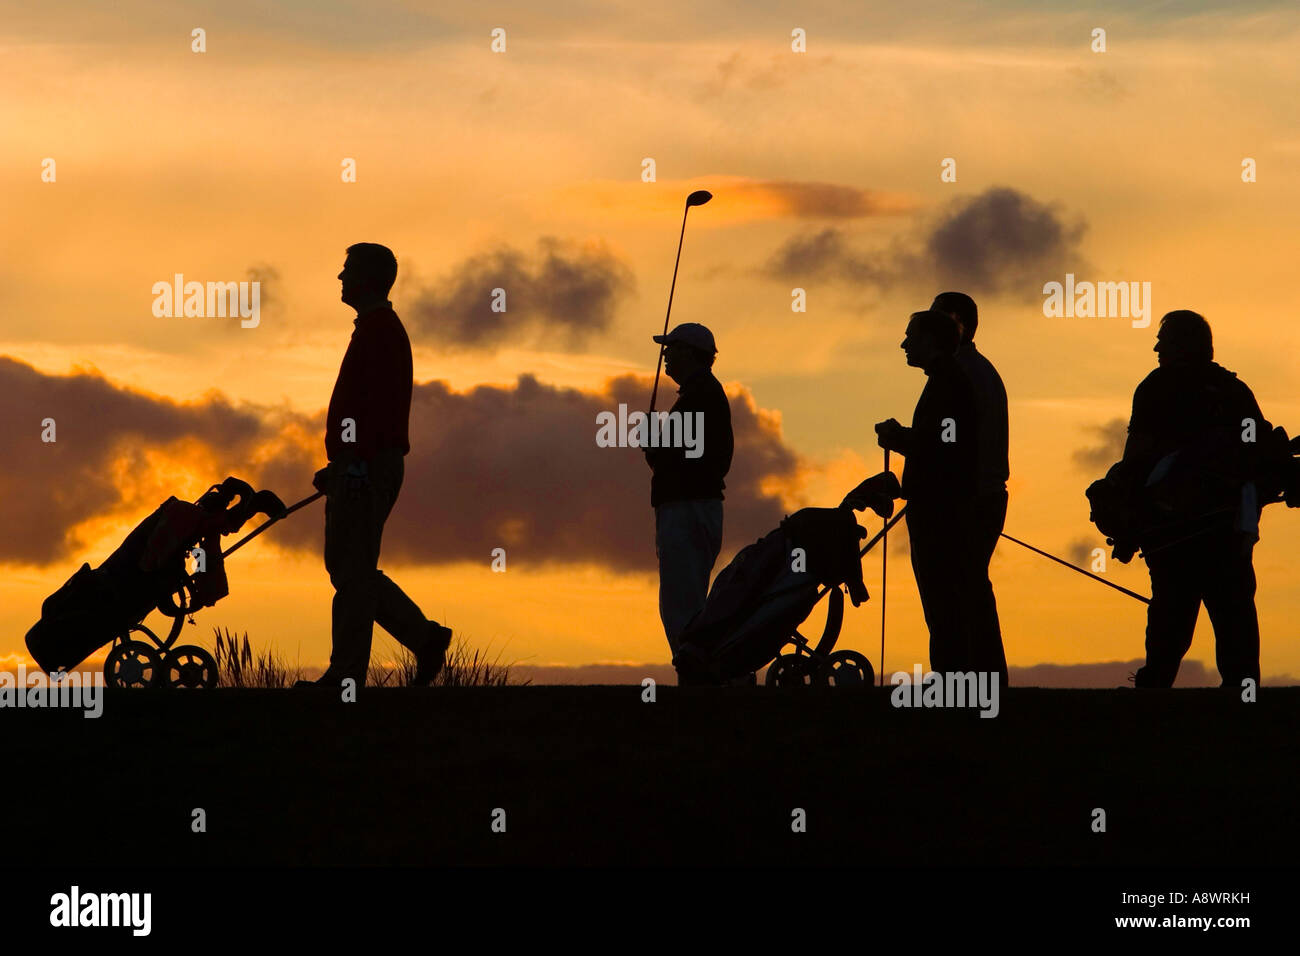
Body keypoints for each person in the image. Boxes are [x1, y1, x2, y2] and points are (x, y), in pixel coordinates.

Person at [306, 243, 452, 689]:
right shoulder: (375, 328)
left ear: (368, 278)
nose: (339, 277)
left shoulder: (380, 331)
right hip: (361, 465)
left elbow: (375, 411)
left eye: (347, 269)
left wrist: (352, 465)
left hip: (366, 467)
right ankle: (423, 638)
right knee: (353, 569)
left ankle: (348, 674)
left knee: (352, 572)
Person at [1100, 310, 1268, 688]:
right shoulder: (1233, 390)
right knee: (1234, 614)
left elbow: (1137, 457)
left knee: (1171, 613)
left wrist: (1126, 515)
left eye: (1166, 341)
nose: (1157, 348)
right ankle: (1245, 698)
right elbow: (1256, 453)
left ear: (1184, 346)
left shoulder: (1157, 388)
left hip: (1171, 529)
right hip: (1227, 528)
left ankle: (1156, 688)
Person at [875, 309, 1006, 683]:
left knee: (944, 600)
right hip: (945, 507)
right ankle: (961, 680)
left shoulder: (948, 383)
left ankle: (953, 681)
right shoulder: (948, 380)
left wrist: (899, 438)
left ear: (930, 341)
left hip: (942, 512)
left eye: (910, 336)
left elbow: (946, 446)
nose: (903, 344)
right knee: (952, 598)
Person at [930, 292, 1010, 684]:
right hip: (979, 496)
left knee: (958, 592)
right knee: (967, 589)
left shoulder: (962, 375)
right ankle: (977, 679)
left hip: (970, 500)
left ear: (955, 323)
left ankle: (967, 679)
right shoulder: (973, 371)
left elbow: (951, 445)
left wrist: (905, 440)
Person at [644, 322, 733, 659]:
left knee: (682, 602)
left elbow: (678, 457)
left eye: (672, 348)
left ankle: (696, 674)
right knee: (687, 598)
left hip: (687, 508)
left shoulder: (699, 396)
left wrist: (654, 444)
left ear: (689, 354)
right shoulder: (702, 394)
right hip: (694, 506)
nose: (665, 355)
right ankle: (699, 671)